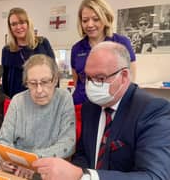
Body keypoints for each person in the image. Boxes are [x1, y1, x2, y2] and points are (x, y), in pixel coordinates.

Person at [33, 41, 170, 180]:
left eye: (100, 78)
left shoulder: (153, 111)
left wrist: (84, 176)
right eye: (88, 77)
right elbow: (83, 155)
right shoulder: (90, 107)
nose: (91, 85)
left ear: (123, 77)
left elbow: (155, 176)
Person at [0, 54, 75, 179]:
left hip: (48, 169)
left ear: (55, 80)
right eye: (32, 83)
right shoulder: (17, 100)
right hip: (16, 169)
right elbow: (2, 140)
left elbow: (67, 144)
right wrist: (3, 161)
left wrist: (30, 162)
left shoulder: (64, 98)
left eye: (44, 82)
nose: (39, 90)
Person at [71, 0, 136, 107]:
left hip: (112, 106)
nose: (90, 25)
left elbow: (130, 80)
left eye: (96, 19)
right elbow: (78, 81)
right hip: (82, 106)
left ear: (105, 18)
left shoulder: (121, 42)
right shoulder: (77, 49)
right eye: (85, 20)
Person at [2, 7, 55, 98]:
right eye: (14, 24)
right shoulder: (7, 50)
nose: (18, 27)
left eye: (22, 22)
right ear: (10, 28)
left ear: (28, 23)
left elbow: (54, 72)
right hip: (17, 100)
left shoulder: (42, 43)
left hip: (42, 97)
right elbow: (5, 81)